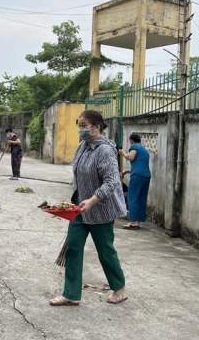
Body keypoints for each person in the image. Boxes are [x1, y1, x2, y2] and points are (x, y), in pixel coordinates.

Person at [49, 110, 128, 306]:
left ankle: (119, 288)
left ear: (96, 127)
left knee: (105, 250)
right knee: (73, 248)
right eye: (80, 126)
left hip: (100, 208)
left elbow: (111, 181)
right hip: (79, 207)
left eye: (84, 126)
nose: (81, 130)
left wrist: (92, 201)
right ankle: (71, 293)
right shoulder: (82, 147)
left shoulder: (105, 150)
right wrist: (68, 203)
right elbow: (78, 174)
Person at [119, 133, 151, 230]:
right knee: (141, 198)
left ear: (131, 140)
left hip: (137, 176)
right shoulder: (144, 150)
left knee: (132, 197)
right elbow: (140, 165)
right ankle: (137, 222)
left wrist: (123, 153)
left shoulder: (134, 146)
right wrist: (127, 171)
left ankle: (132, 222)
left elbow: (130, 157)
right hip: (146, 176)